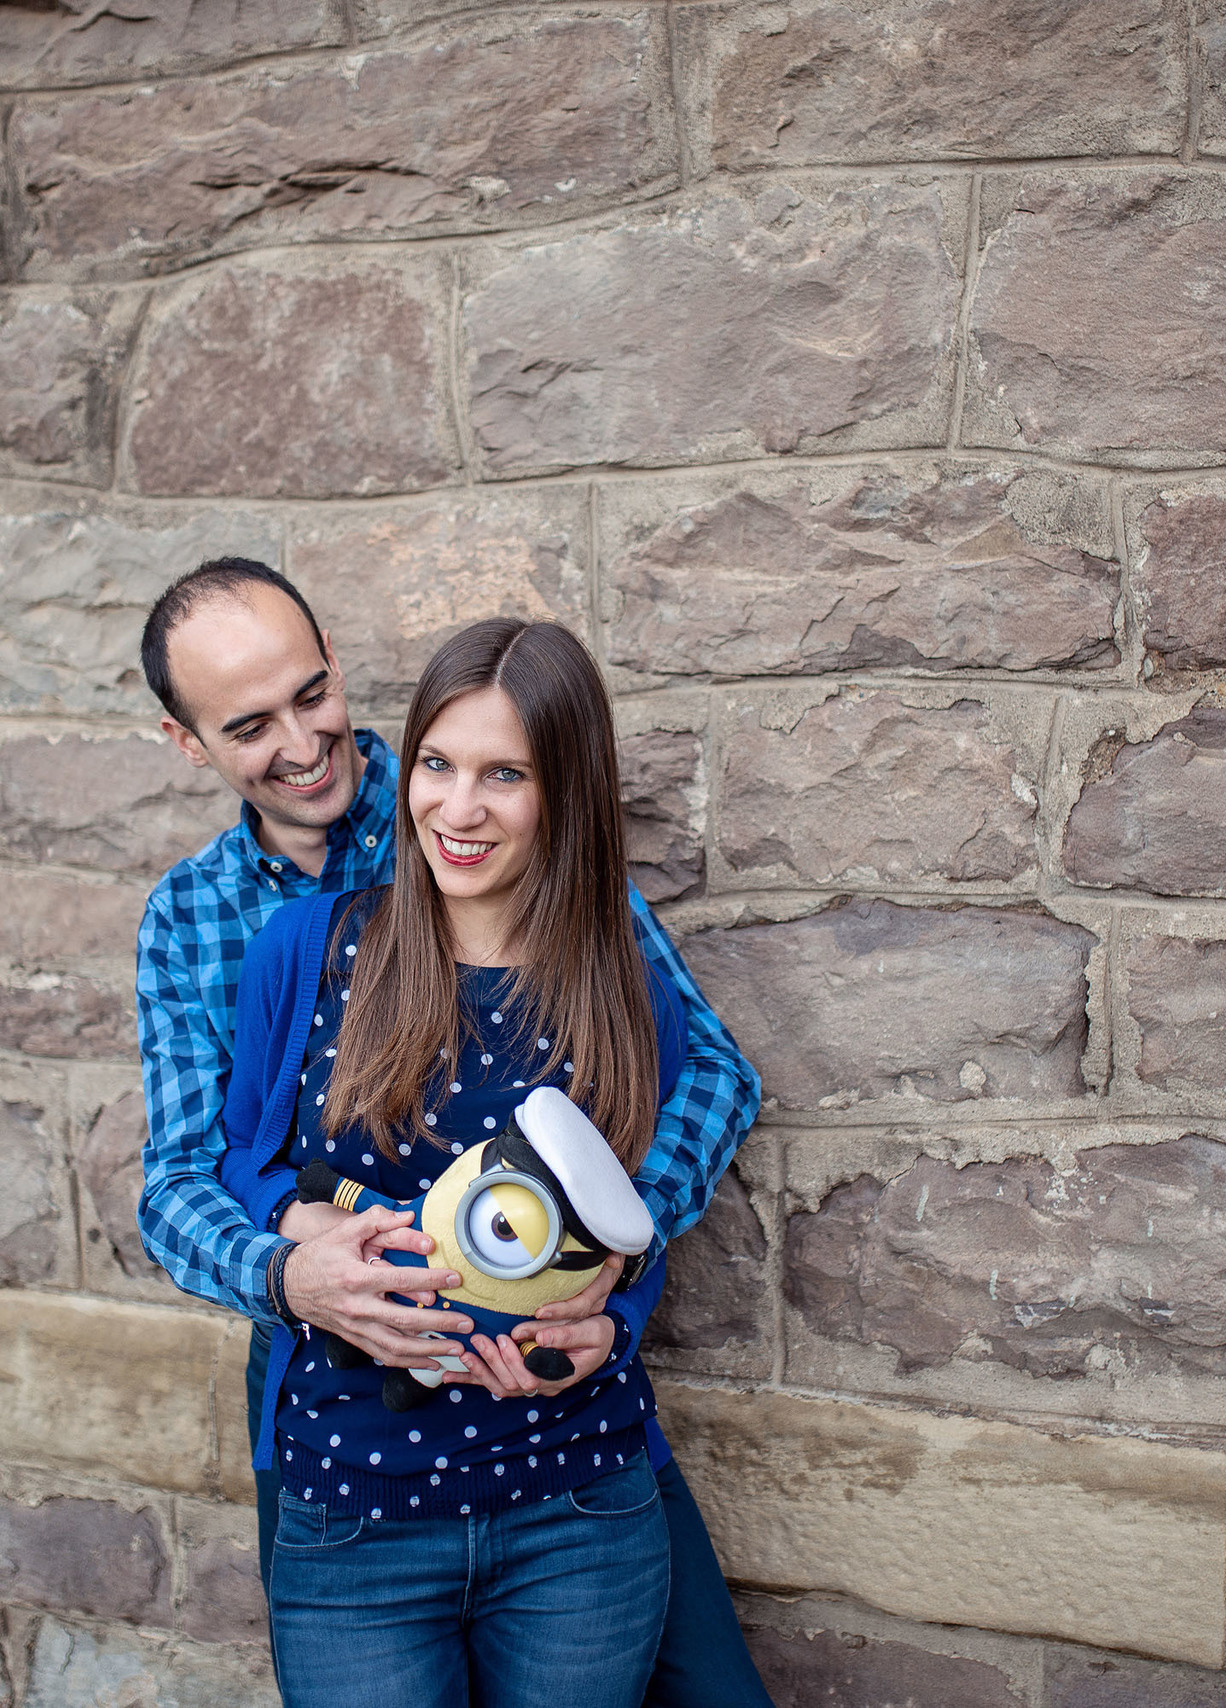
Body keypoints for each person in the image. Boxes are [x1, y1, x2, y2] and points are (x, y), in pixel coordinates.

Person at [132, 561, 772, 1707]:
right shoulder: (204, 915)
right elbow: (196, 1167)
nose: (302, 743)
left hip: (556, 1428)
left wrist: (613, 1252)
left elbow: (700, 1069)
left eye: (311, 694)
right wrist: (288, 1263)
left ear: (334, 659)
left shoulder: (490, 813)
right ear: (188, 743)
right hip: (339, 1386)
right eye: (250, 725)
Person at [221, 617, 685, 1705]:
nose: (458, 808)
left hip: (579, 1514)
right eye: (437, 764)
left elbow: (628, 1226)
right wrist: (305, 1235)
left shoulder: (626, 985)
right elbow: (240, 1164)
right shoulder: (308, 950)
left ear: (565, 793)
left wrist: (610, 1324)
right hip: (355, 1519)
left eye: (504, 775)